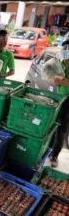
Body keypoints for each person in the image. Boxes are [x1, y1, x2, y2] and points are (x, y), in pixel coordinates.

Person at [50, 39, 69, 167]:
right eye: (66, 48)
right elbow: (55, 81)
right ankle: (48, 151)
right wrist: (57, 80)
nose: (66, 51)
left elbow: (61, 81)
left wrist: (62, 80)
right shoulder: (61, 64)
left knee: (62, 129)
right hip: (58, 98)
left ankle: (55, 156)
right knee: (52, 126)